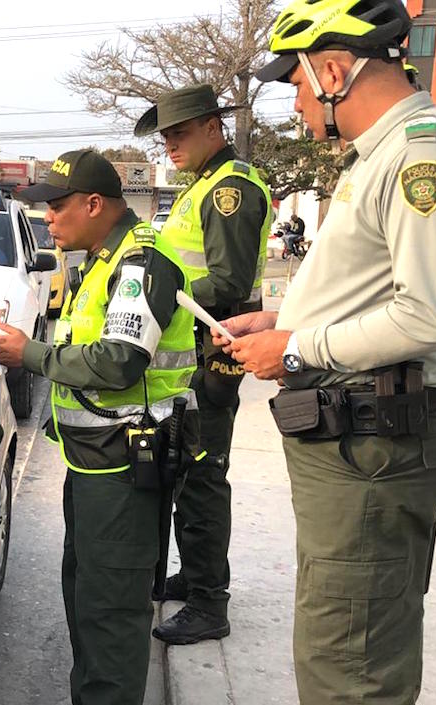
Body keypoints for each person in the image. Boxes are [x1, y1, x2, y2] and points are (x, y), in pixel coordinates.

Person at [218, 1, 436, 702]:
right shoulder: (386, 155)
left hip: (368, 446)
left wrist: (297, 348)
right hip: (357, 444)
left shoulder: (414, 157)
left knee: (350, 665)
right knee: (343, 642)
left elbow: (427, 315)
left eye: (299, 84)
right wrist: (283, 319)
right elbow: (381, 290)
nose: (301, 103)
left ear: (333, 69)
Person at [0, 149, 200, 705]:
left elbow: (120, 360)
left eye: (57, 206)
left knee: (111, 615)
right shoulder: (100, 258)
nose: (48, 219)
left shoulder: (138, 264)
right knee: (88, 602)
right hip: (96, 462)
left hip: (124, 469)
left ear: (95, 204)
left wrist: (32, 355)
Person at [133, 83, 272, 645]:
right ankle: (195, 576)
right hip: (196, 352)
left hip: (214, 355)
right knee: (190, 469)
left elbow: (231, 283)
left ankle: (211, 604)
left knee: (202, 476)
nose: (170, 144)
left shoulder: (229, 190)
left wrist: (161, 287)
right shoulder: (205, 185)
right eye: (165, 136)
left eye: (180, 132)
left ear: (214, 126)